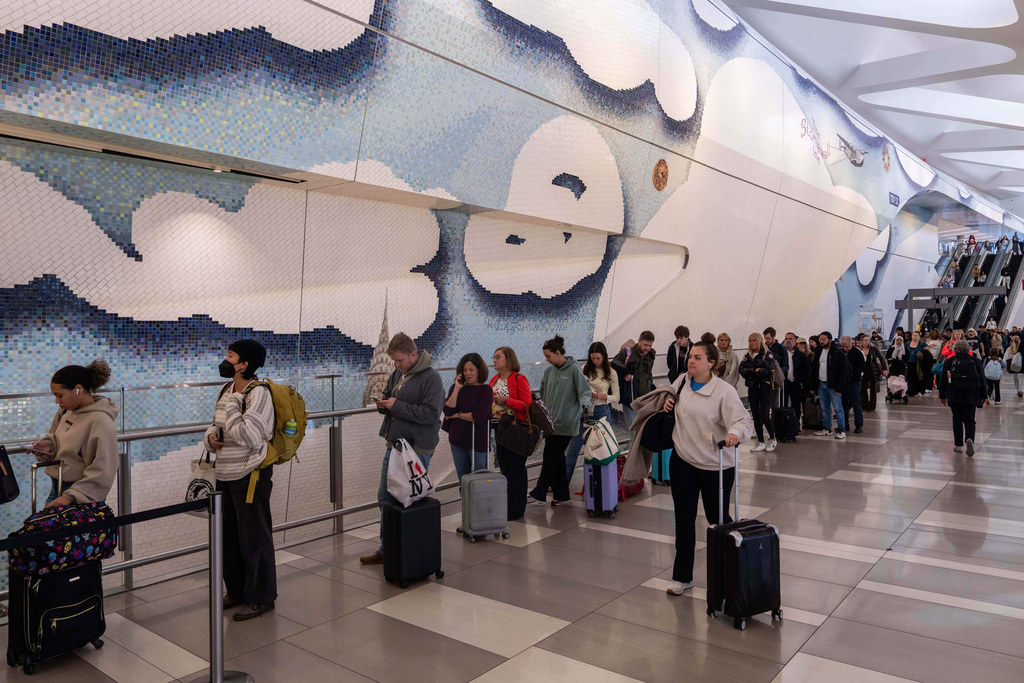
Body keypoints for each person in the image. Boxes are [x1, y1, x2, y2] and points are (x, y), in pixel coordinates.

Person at [661, 341, 754, 596]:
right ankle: (682, 577)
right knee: (684, 520)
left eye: (697, 357)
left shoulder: (723, 392)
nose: (691, 361)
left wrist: (734, 433)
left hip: (716, 466)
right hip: (683, 461)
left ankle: (730, 573)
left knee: (718, 521)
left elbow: (743, 421)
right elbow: (670, 399)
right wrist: (668, 402)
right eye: (690, 356)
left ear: (710, 363)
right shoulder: (681, 381)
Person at [202, 340, 277, 620]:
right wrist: (210, 437)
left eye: (231, 356)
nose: (225, 359)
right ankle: (236, 591)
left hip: (250, 474)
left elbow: (250, 436)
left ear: (244, 364)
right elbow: (215, 423)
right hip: (224, 473)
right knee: (229, 538)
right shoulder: (226, 389)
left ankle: (261, 597)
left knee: (254, 538)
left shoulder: (258, 394)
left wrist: (234, 404)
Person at [361, 333, 445, 566]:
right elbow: (391, 399)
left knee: (410, 501)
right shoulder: (399, 373)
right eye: (394, 361)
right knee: (385, 497)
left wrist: (397, 405)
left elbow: (431, 414)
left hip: (417, 448)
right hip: (395, 444)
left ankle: (410, 550)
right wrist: (383, 402)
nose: (396, 365)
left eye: (400, 360)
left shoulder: (432, 378)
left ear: (413, 354)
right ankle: (387, 547)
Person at [31, 360, 119, 509]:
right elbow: (53, 435)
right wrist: (47, 446)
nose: (56, 401)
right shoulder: (65, 411)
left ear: (78, 389)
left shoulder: (100, 421)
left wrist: (70, 497)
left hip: (80, 493)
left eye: (59, 395)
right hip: (58, 486)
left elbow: (103, 468)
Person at [530, 335, 591, 507]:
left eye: (548, 356)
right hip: (549, 424)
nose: (547, 360)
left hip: (566, 423)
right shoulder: (549, 372)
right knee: (557, 460)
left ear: (558, 353)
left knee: (550, 457)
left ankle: (539, 493)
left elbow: (584, 391)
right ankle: (562, 495)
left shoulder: (574, 370)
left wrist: (586, 403)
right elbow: (542, 393)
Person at [563, 342, 619, 482]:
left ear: (604, 357)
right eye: (593, 358)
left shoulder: (611, 372)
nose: (595, 361)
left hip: (601, 411)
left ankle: (602, 483)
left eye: (598, 358)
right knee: (572, 451)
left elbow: (617, 398)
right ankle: (562, 484)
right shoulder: (584, 369)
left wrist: (602, 396)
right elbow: (575, 389)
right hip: (584, 412)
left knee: (602, 450)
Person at [490, 347, 532, 521]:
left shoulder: (518, 379)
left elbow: (527, 405)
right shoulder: (493, 379)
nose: (494, 360)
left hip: (514, 429)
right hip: (497, 428)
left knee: (516, 468)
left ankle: (518, 507)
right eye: (493, 357)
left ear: (508, 359)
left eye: (498, 357)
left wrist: (506, 400)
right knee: (505, 468)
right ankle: (507, 504)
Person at [443, 353, 493, 491]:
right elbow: (447, 410)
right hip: (457, 440)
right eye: (465, 370)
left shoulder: (485, 390)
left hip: (477, 440)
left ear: (479, 370)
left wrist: (458, 415)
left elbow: (480, 416)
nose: (468, 373)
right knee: (463, 480)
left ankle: (480, 511)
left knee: (479, 479)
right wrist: (457, 388)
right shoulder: (456, 388)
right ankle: (467, 510)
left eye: (471, 370)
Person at [939, 340, 986, 455]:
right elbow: (982, 379)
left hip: (954, 394)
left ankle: (958, 445)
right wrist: (984, 395)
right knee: (970, 419)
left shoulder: (949, 361)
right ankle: (969, 438)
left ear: (955, 349)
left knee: (957, 419)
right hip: (971, 394)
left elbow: (943, 380)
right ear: (968, 349)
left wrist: (942, 395)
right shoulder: (975, 361)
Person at [738, 333, 777, 452]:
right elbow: (742, 370)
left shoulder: (766, 354)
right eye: (750, 340)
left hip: (764, 387)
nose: (752, 343)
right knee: (755, 415)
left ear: (759, 341)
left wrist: (754, 372)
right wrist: (754, 370)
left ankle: (772, 438)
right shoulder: (747, 356)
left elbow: (768, 370)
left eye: (754, 340)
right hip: (752, 386)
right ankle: (761, 441)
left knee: (764, 414)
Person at [613, 333, 655, 427]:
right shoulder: (627, 353)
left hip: (645, 395)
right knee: (632, 427)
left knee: (643, 426)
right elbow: (613, 364)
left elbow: (649, 374)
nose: (647, 348)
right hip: (629, 396)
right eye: (645, 345)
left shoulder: (651, 356)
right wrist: (625, 373)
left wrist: (653, 390)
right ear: (639, 341)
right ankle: (632, 442)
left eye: (650, 345)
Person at [813, 331, 849, 439]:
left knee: (837, 408)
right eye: (820, 339)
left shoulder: (838, 353)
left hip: (833, 386)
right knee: (825, 408)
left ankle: (841, 429)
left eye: (824, 339)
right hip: (821, 384)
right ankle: (827, 428)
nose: (821, 341)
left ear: (829, 340)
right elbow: (814, 368)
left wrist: (840, 387)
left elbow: (843, 371)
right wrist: (813, 385)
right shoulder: (818, 352)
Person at [783, 332, 810, 427]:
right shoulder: (782, 353)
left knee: (796, 405)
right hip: (784, 383)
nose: (788, 341)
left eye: (790, 339)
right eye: (786, 339)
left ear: (795, 340)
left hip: (795, 383)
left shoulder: (800, 355)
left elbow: (806, 369)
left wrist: (800, 379)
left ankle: (795, 424)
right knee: (783, 404)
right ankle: (784, 424)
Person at [839, 336, 865, 433]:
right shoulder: (840, 353)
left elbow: (862, 367)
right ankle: (845, 424)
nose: (845, 348)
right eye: (843, 346)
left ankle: (858, 425)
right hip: (843, 383)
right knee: (844, 404)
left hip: (854, 382)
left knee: (856, 403)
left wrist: (851, 373)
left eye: (847, 346)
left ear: (851, 344)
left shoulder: (857, 353)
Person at [860, 334, 887, 412]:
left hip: (872, 370)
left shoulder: (873, 349)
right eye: (865, 340)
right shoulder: (859, 350)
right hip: (863, 371)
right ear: (862, 341)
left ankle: (872, 405)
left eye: (868, 340)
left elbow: (881, 358)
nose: (867, 342)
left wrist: (884, 368)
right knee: (863, 388)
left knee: (873, 388)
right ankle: (864, 404)